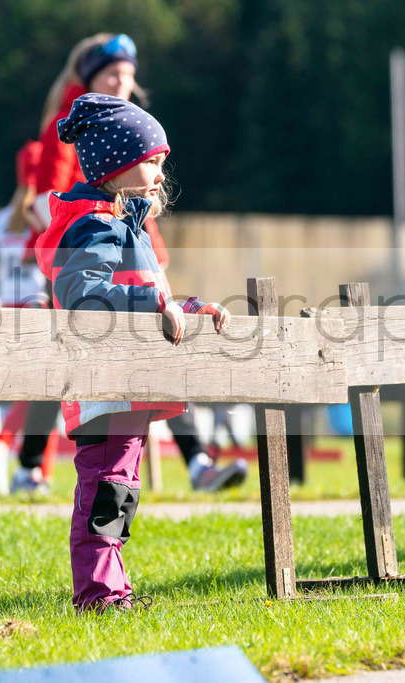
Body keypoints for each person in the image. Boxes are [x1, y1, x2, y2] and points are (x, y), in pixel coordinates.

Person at [18, 32, 247, 493]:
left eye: (129, 75)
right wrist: (90, 229)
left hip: (127, 255)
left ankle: (198, 461)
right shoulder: (73, 129)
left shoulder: (134, 125)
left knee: (164, 346)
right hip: (80, 252)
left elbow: (138, 207)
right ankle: (28, 465)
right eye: (112, 74)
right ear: (91, 79)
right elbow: (44, 200)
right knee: (61, 363)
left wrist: (142, 250)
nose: (123, 82)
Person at [35, 94, 230, 612]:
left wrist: (186, 306)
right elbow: (85, 294)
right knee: (105, 493)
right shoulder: (96, 227)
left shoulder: (126, 227)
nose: (161, 175)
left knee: (119, 493)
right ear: (116, 168)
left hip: (128, 388)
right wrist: (153, 302)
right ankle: (98, 595)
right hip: (105, 390)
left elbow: (143, 289)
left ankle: (112, 590)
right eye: (152, 163)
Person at [0, 140, 57, 494]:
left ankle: (27, 465)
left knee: (31, 392)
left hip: (7, 309)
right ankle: (8, 450)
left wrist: (5, 296)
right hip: (38, 307)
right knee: (47, 389)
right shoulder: (45, 215)